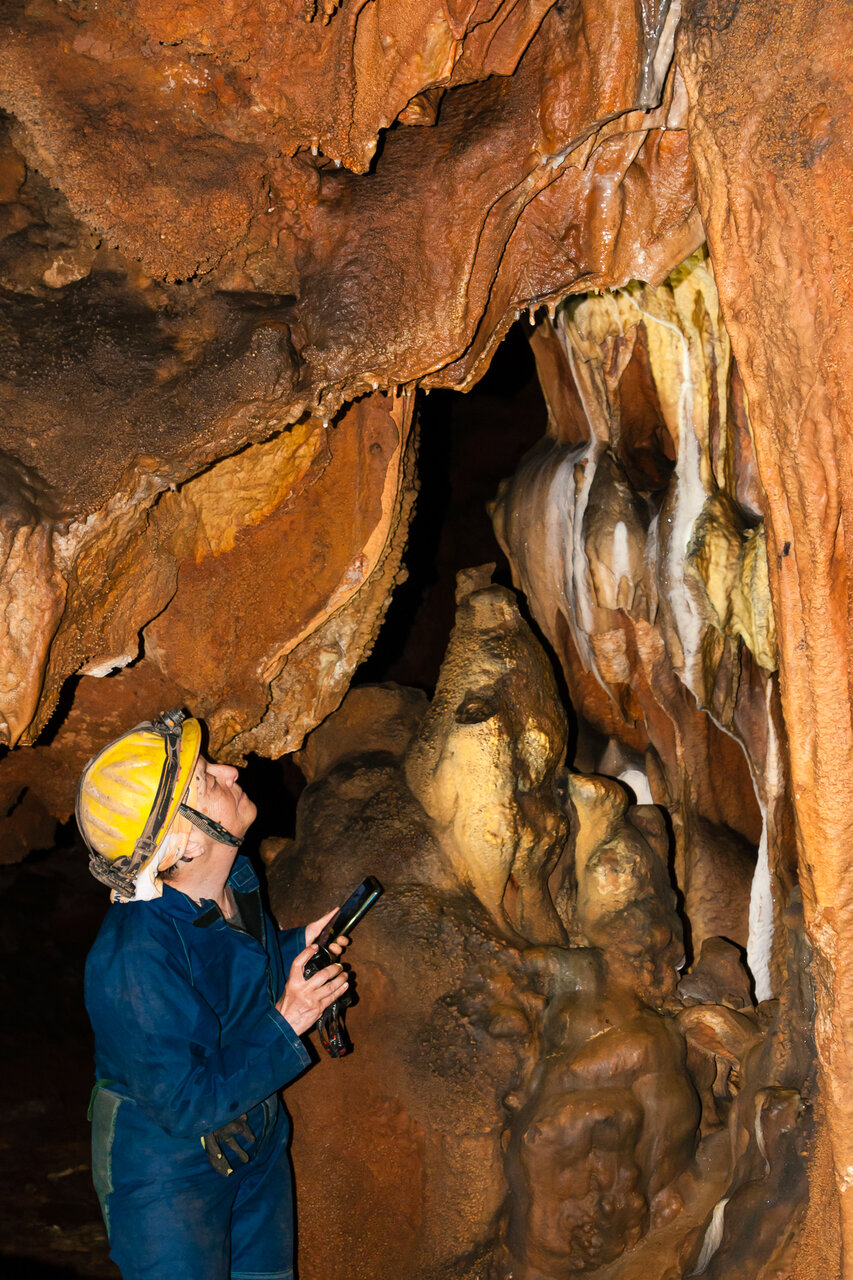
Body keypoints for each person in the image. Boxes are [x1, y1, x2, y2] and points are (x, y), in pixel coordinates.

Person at [78, 708, 350, 1280]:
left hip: (254, 1131)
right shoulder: (134, 956)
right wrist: (290, 1017)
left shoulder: (235, 885)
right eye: (206, 780)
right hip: (165, 1163)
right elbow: (183, 1103)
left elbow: (229, 968)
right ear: (187, 843)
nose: (229, 770)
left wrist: (300, 942)